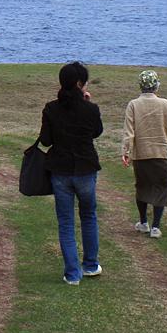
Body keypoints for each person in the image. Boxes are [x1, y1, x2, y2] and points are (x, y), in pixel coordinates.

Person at [40, 61, 103, 285]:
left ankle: (72, 273)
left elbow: (46, 140)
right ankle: (90, 265)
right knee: (88, 216)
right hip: (86, 169)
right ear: (79, 84)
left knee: (66, 222)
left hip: (60, 171)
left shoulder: (50, 108)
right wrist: (88, 103)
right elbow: (96, 132)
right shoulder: (91, 109)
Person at [122, 70, 167, 238]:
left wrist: (126, 151)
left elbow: (129, 132)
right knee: (161, 188)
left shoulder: (133, 104)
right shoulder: (165, 104)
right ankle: (156, 226)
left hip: (141, 154)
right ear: (156, 85)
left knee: (143, 187)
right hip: (162, 152)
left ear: (141, 86)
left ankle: (143, 222)